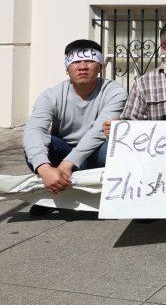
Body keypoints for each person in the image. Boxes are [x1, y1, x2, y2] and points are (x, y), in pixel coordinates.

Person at [23, 40, 127, 214]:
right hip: (63, 150)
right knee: (35, 149)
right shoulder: (51, 95)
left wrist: (68, 164)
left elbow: (99, 131)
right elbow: (34, 130)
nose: (83, 66)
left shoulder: (115, 91)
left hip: (96, 152)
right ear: (67, 68)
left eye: (90, 61)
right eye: (76, 62)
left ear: (100, 66)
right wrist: (45, 168)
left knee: (115, 147)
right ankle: (53, 187)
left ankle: (60, 190)